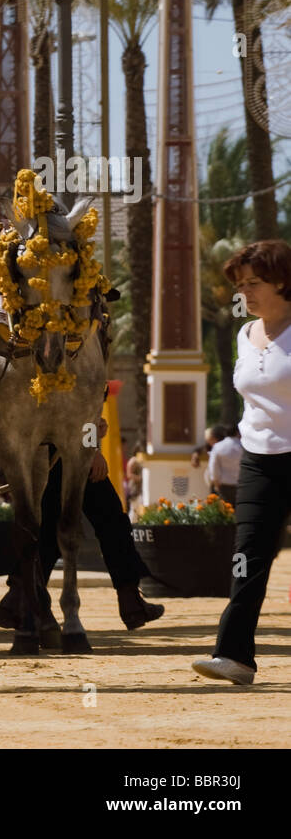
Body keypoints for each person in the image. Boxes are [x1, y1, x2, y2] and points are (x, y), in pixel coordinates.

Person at [193, 241, 291, 685]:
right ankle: (233, 656)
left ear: (283, 281)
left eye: (254, 283)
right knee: (247, 556)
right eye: (241, 284)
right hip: (258, 459)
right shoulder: (244, 334)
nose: (244, 292)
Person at [0, 409, 164, 631]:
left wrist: (93, 428)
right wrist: (91, 449)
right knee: (112, 522)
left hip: (39, 447)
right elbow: (79, 400)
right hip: (71, 453)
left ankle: (17, 600)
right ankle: (130, 602)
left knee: (48, 527)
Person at [206, 425, 243, 507]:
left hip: (223, 486)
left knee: (225, 512)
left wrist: (216, 483)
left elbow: (214, 467)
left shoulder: (218, 446)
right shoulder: (243, 446)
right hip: (241, 485)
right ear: (238, 433)